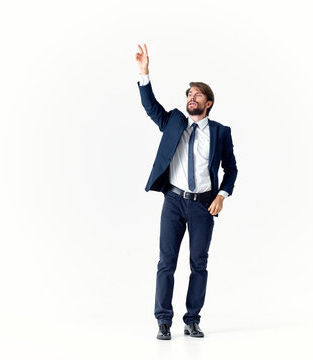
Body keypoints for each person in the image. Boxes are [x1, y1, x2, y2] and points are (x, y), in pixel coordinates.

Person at [135, 44, 238, 340]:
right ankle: (163, 321)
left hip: (203, 206)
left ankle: (192, 319)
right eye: (188, 94)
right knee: (166, 262)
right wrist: (144, 74)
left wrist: (222, 195)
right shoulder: (174, 122)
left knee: (198, 264)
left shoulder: (221, 132)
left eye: (197, 95)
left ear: (208, 103)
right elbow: (151, 107)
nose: (191, 98)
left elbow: (231, 169)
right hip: (173, 201)